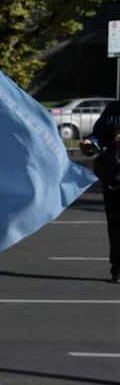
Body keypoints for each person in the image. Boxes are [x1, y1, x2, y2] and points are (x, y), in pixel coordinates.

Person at [88, 100, 120, 283]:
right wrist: (91, 142)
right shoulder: (113, 110)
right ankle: (117, 268)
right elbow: (98, 135)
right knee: (115, 225)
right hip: (114, 176)